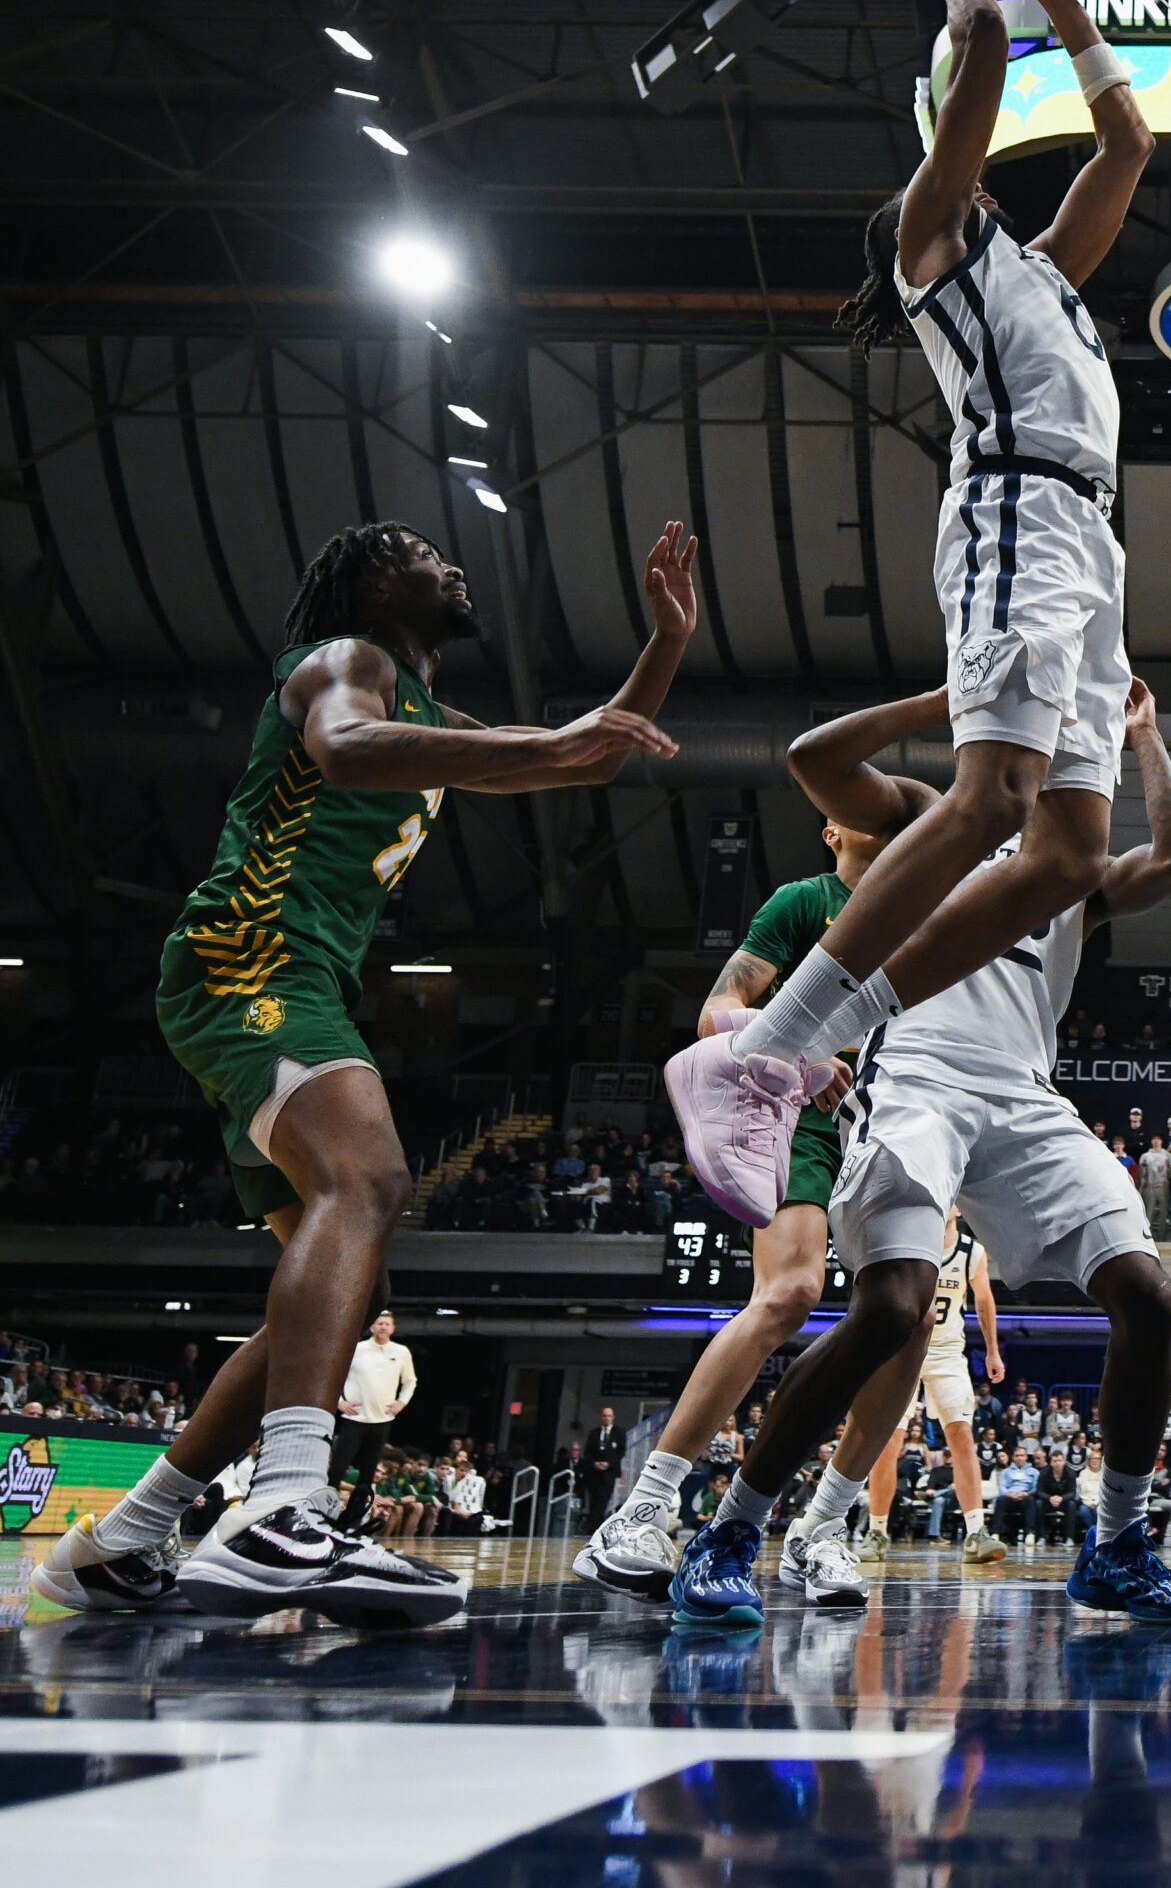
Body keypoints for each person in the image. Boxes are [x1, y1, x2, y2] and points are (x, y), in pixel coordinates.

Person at [38, 517, 699, 1626]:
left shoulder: (430, 710)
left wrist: (666, 642)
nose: (445, 558)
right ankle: (282, 1507)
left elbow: (587, 746)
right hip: (254, 954)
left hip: (295, 975)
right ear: (365, 586)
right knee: (375, 1180)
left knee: (345, 1289)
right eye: (413, 547)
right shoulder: (352, 664)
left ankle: (125, 1538)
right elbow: (347, 750)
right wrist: (544, 745)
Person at [666, 0, 1155, 1219]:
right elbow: (981, 48)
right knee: (990, 802)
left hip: (1087, 546)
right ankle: (764, 1056)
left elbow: (1127, 136)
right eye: (961, 148)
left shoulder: (1045, 268)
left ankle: (801, 1045)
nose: (978, 161)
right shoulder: (935, 254)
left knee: (1064, 860)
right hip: (1013, 517)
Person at [670, 673, 1171, 1626]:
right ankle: (730, 1533)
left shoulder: (1073, 864)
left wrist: (1146, 736)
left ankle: (1116, 1545)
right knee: (890, 1312)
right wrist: (948, 702)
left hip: (1024, 1092)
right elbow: (813, 761)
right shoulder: (940, 814)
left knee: (1150, 1297)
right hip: (912, 1071)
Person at [576, 811, 918, 1603]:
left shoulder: (923, 908)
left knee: (910, 1325)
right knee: (790, 1294)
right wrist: (800, 1053)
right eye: (859, 807)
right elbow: (716, 1012)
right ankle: (646, 1505)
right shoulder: (803, 902)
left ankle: (821, 1526)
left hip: (904, 1122)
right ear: (831, 829)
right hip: (804, 1115)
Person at [852, 1209, 1007, 1566]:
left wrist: (993, 1352)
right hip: (901, 1351)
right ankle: (877, 1531)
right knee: (889, 1441)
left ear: (959, 1208)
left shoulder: (973, 1252)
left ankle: (975, 1532)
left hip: (947, 1352)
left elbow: (984, 1302)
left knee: (962, 1436)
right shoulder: (910, 1244)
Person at [332, 1308, 416, 1532]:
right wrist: (340, 1401)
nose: (383, 1327)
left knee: (367, 1476)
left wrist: (401, 1402)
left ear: (393, 1328)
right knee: (336, 1471)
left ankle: (353, 1523)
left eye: (387, 1324)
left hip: (381, 1421)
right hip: (354, 1418)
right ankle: (326, 1517)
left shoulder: (401, 1352)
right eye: (379, 1323)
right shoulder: (356, 1349)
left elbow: (410, 1382)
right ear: (372, 1326)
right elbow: (334, 1374)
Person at [578, 1405, 625, 1530]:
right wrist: (594, 1463)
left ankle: (596, 1524)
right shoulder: (594, 1433)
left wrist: (608, 1464)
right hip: (594, 1472)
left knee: (604, 1498)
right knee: (594, 1498)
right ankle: (592, 1525)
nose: (606, 1418)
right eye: (604, 1415)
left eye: (609, 1416)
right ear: (601, 1417)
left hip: (609, 1472)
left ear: (613, 1417)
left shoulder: (619, 1433)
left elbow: (621, 1452)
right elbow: (587, 1452)